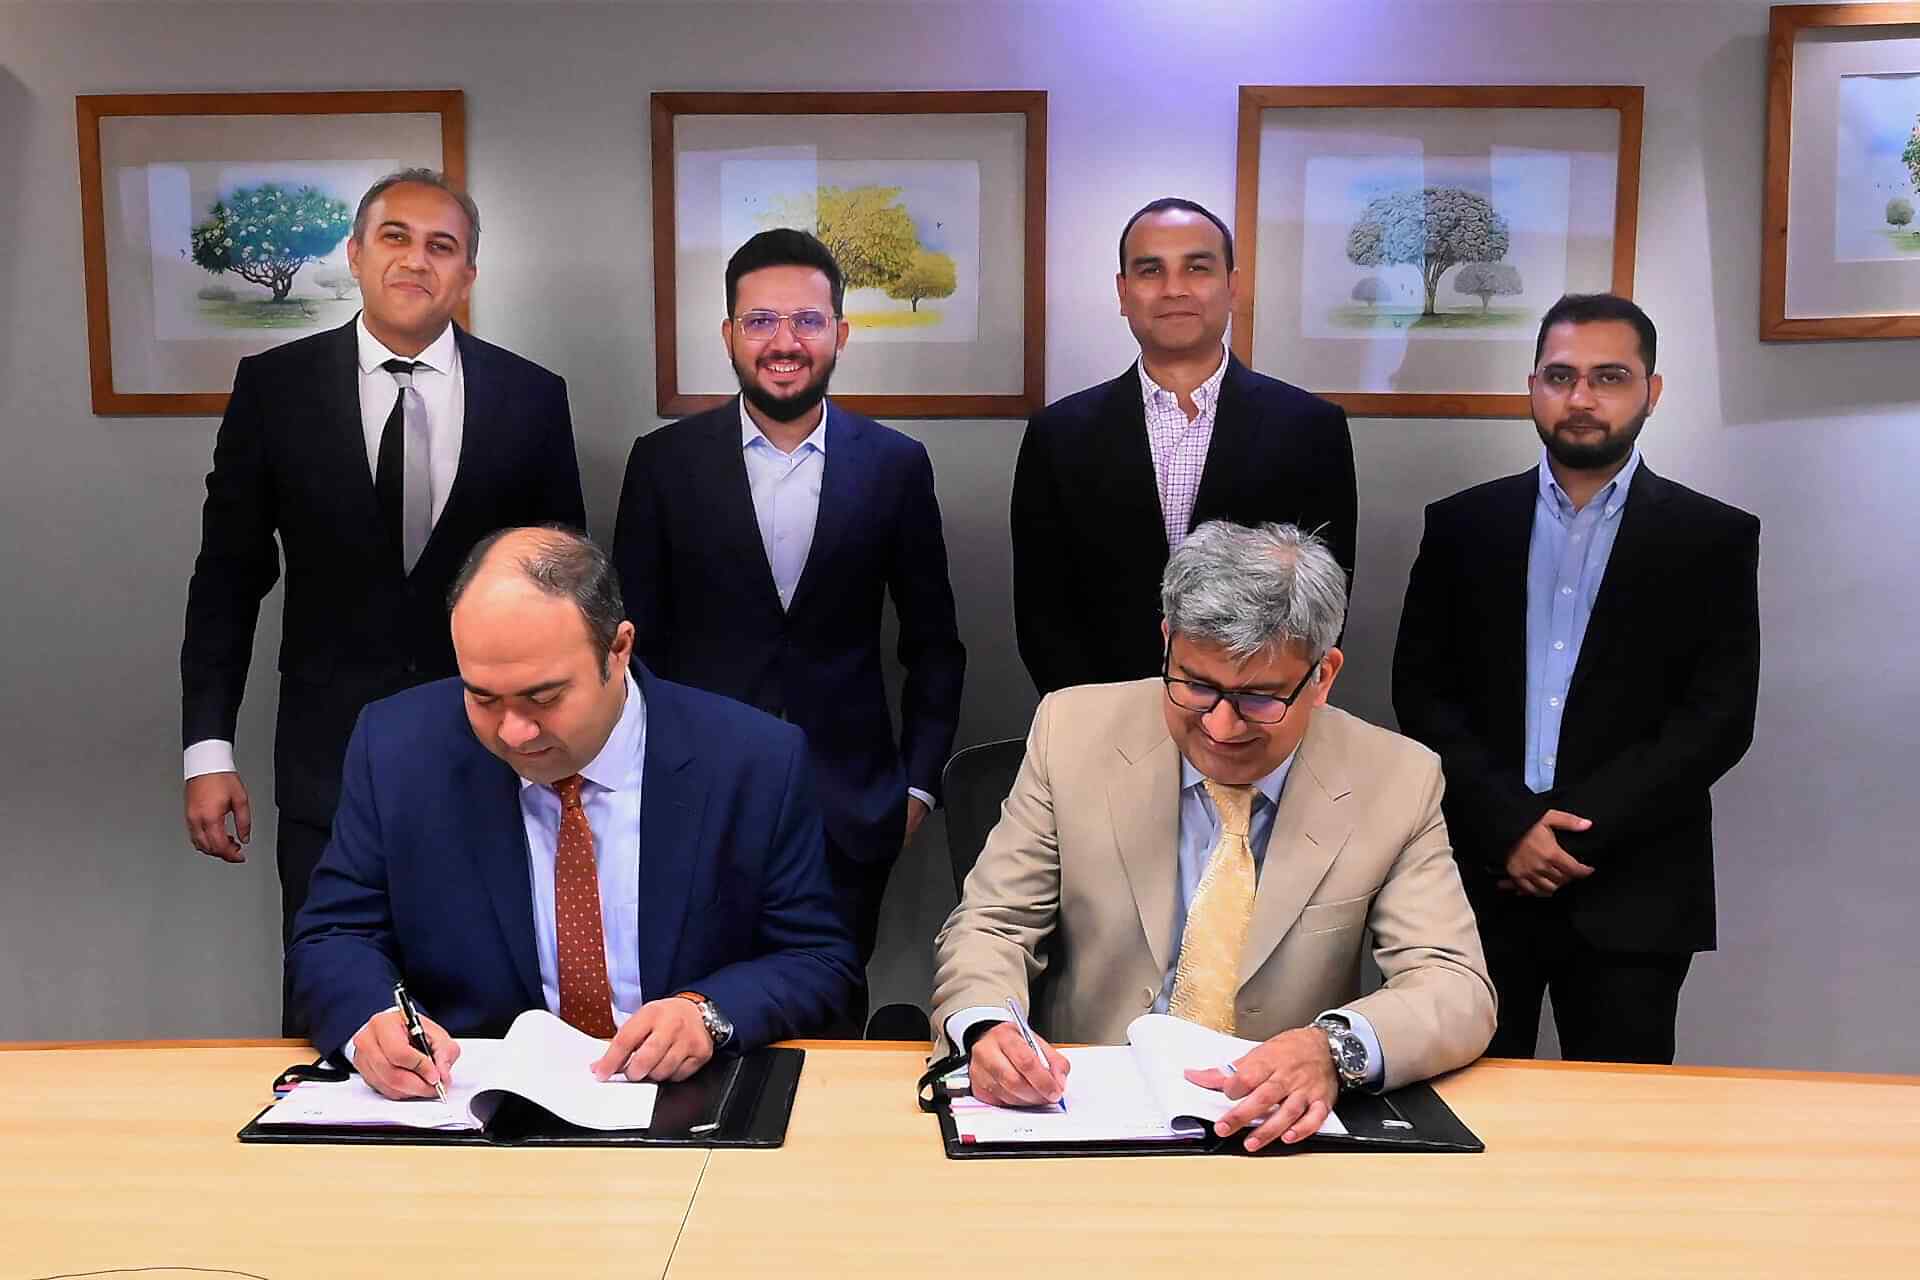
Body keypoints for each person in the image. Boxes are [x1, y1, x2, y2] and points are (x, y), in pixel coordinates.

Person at [932, 521, 1494, 1152]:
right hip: (1082, 1114)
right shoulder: (1071, 730)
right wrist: (986, 1028)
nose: (1222, 727)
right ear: (1168, 642)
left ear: (1323, 676)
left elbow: (1454, 984)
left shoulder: (1396, 778)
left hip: (1280, 1130)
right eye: (1196, 686)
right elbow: (994, 924)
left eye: (1259, 699)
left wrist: (1333, 1050)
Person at [181, 169, 584, 1029]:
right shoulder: (274, 388)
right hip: (328, 765)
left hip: (497, 758)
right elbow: (227, 580)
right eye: (395, 237)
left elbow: (566, 593)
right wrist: (206, 751)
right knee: (334, 1003)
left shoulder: (531, 397)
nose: (416, 260)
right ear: (357, 255)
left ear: (468, 275)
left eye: (443, 246)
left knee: (493, 1013)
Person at [288, 527, 859, 1098]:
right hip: (467, 1108)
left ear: (619, 649)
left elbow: (817, 960)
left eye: (543, 698)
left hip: (682, 1103)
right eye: (483, 697)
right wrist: (371, 1025)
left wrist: (706, 1014)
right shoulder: (397, 747)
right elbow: (333, 936)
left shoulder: (751, 759)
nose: (514, 731)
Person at [1393, 293, 1760, 1065]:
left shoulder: (1715, 538)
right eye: (1561, 376)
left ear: (1651, 392)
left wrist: (1573, 833)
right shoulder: (1462, 526)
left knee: (1624, 1134)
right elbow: (1421, 694)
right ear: (1533, 386)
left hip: (1638, 884)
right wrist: (1511, 828)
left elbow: (1717, 719)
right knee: (1470, 1111)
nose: (1582, 398)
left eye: (1610, 377)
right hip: (1481, 877)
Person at [612, 229, 965, 1015]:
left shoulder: (895, 463)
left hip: (845, 808)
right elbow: (630, 644)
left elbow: (935, 644)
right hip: (690, 800)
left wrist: (914, 786)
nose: (785, 342)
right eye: (762, 321)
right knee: (688, 1015)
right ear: (730, 334)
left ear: (839, 333)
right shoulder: (663, 464)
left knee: (826, 1010)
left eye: (807, 321)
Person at [1010, 197, 1357, 696]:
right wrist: (1099, 719)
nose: (1174, 289)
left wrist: (1252, 709)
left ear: (1231, 286)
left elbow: (1324, 608)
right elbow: (1042, 615)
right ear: (1124, 292)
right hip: (1105, 720)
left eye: (1197, 267)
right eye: (1151, 270)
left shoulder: (1309, 430)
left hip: (1255, 720)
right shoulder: (1058, 436)